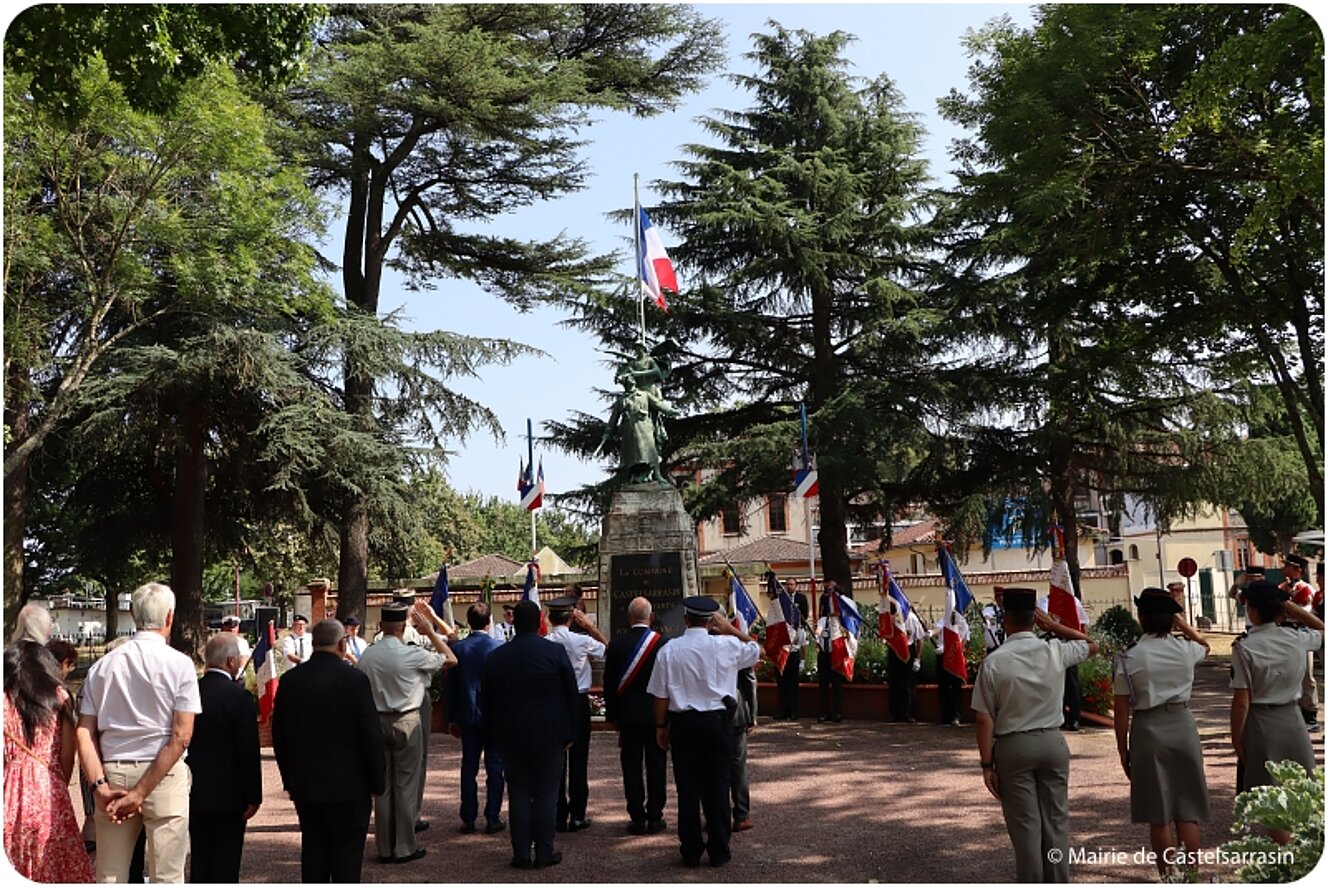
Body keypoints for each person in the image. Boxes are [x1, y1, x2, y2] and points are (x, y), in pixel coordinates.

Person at [76, 582, 201, 883]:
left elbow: (84, 732)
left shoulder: (102, 666)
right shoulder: (180, 665)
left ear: (133, 615)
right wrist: (141, 793)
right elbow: (181, 736)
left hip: (113, 772)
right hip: (163, 772)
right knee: (167, 876)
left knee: (110, 874)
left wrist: (99, 786)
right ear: (169, 617)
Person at [972, 586, 1097, 882]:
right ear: (1035, 619)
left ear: (1006, 619)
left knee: (1025, 827)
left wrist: (987, 764)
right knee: (1056, 823)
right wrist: (1055, 627)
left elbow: (983, 719)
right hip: (1052, 742)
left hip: (1014, 745)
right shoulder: (1055, 650)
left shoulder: (994, 661)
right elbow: (1091, 644)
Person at [648, 595, 760, 869]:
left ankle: (690, 850)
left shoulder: (669, 650)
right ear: (711, 621)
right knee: (718, 785)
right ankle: (719, 850)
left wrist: (661, 726)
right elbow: (759, 650)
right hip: (718, 722)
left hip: (684, 723)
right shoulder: (727, 645)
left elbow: (660, 695)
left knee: (688, 788)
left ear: (685, 619)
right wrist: (730, 629)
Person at [272, 619, 385, 882]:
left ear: (313, 643)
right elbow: (370, 734)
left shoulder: (290, 681)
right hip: (350, 785)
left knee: (314, 850)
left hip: (306, 783)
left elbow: (280, 735)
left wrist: (290, 779)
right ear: (342, 644)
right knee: (347, 856)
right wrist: (377, 780)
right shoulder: (355, 680)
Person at [1113, 588, 1211, 880]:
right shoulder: (1186, 650)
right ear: (1171, 619)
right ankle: (1191, 878)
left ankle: (1169, 878)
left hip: (1148, 729)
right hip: (1183, 724)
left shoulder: (1129, 656)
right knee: (1188, 811)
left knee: (1159, 814)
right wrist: (1180, 623)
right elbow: (1204, 644)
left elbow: (1121, 710)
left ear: (1141, 617)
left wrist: (1122, 749)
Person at [481, 599, 579, 870]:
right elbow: (571, 693)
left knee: (519, 793)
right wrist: (571, 731)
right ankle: (544, 851)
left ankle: (522, 853)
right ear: (539, 622)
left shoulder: (497, 657)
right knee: (546, 793)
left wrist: (492, 736)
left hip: (511, 736)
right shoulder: (554, 652)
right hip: (549, 735)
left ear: (514, 622)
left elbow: (486, 701)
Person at [357, 602, 457, 864]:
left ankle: (384, 846)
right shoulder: (411, 654)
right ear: (403, 626)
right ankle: (403, 846)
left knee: (383, 787)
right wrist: (430, 632)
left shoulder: (368, 655)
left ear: (381, 626)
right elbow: (451, 659)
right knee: (406, 785)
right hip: (407, 719)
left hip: (377, 720)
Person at [1230, 580, 1324, 843]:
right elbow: (1322, 629)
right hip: (1293, 718)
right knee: (1303, 791)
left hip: (1260, 721)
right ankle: (1302, 851)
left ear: (1252, 610)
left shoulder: (1245, 647)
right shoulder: (1296, 638)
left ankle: (1291, 853)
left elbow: (1241, 701)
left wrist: (1236, 738)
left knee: (1269, 799)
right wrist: (1290, 606)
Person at [4, 625, 95, 883]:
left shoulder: (4, 699)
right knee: (57, 867)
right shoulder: (59, 696)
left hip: (9, 795)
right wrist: (57, 782)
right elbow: (67, 755)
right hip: (50, 793)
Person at [188, 633, 262, 883]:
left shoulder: (191, 692)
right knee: (226, 862)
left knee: (200, 857)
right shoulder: (239, 697)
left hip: (194, 788)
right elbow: (248, 750)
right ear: (231, 661)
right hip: (231, 793)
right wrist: (254, 795)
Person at [603, 596, 669, 835]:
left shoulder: (617, 645)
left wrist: (613, 717)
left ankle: (637, 817)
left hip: (628, 717)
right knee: (656, 765)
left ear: (629, 618)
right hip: (656, 716)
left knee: (631, 767)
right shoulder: (663, 643)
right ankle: (655, 816)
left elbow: (609, 685)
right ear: (651, 617)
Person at [545, 597, 608, 832]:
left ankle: (558, 814)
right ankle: (578, 815)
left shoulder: (545, 642)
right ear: (572, 618)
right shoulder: (582, 640)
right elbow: (608, 649)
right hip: (577, 703)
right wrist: (591, 627)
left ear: (550, 618)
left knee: (556, 759)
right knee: (579, 760)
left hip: (554, 703)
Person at [445, 602, 506, 835]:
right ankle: (493, 816)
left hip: (468, 715)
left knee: (469, 768)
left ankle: (468, 818)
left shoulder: (459, 649)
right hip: (494, 717)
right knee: (495, 768)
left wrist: (451, 718)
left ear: (469, 623)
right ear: (489, 621)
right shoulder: (499, 647)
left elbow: (451, 687)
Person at [1279, 553, 1319, 730]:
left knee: (1306, 676)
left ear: (1297, 569)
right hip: (1285, 633)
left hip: (1302, 633)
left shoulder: (1306, 589)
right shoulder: (1281, 587)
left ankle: (1310, 715)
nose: (1283, 569)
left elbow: (1308, 613)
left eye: (1287, 566)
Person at [1040, 589, 1089, 731]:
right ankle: (1057, 716)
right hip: (1052, 644)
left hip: (1069, 643)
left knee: (1071, 682)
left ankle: (1074, 718)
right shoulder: (1044, 601)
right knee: (1053, 682)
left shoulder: (1073, 601)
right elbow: (1042, 624)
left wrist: (1082, 642)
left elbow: (1083, 623)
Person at [767, 576, 810, 721]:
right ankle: (782, 710)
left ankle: (793, 711)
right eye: (787, 584)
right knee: (781, 683)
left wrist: (803, 661)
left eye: (792, 584)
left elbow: (804, 616)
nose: (789, 586)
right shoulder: (781, 600)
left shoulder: (801, 599)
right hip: (781, 651)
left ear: (796, 586)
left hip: (793, 653)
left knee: (792, 684)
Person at [729, 662, 757, 833]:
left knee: (712, 766)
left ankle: (715, 816)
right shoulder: (736, 647)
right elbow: (749, 678)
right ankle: (741, 815)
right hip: (735, 710)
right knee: (738, 766)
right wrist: (752, 713)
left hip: (706, 710)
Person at [816, 579, 848, 722]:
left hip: (836, 654)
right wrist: (817, 633)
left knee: (837, 684)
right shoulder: (823, 621)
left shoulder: (841, 622)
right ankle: (824, 712)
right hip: (824, 654)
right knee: (823, 685)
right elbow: (818, 632)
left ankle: (837, 713)